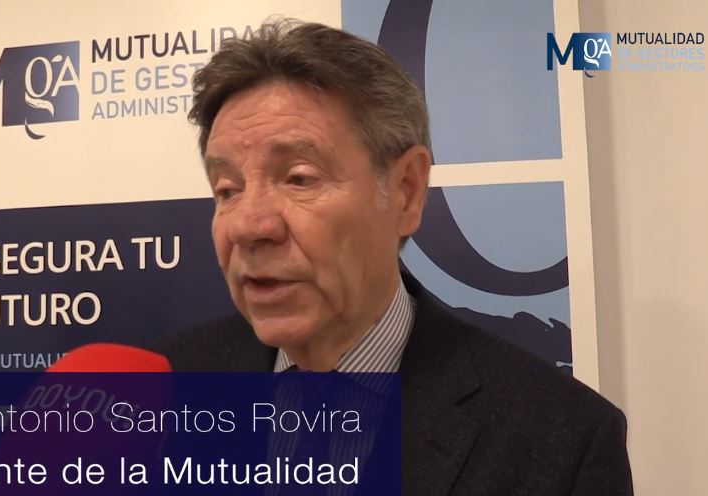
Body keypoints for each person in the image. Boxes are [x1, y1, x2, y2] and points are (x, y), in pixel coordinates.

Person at [155, 19, 633, 494]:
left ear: (405, 191)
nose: (246, 226)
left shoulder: (561, 440)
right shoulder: (163, 390)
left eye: (299, 178)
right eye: (227, 189)